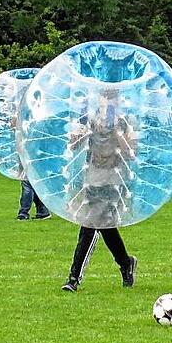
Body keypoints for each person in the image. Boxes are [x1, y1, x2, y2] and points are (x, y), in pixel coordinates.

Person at [61, 88, 138, 292]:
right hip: (92, 180)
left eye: (112, 101)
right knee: (106, 228)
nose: (108, 105)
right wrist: (83, 134)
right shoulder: (88, 119)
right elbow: (71, 145)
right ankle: (125, 263)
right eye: (105, 101)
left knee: (89, 227)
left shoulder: (124, 122)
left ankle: (74, 278)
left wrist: (117, 134)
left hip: (113, 182)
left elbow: (131, 153)